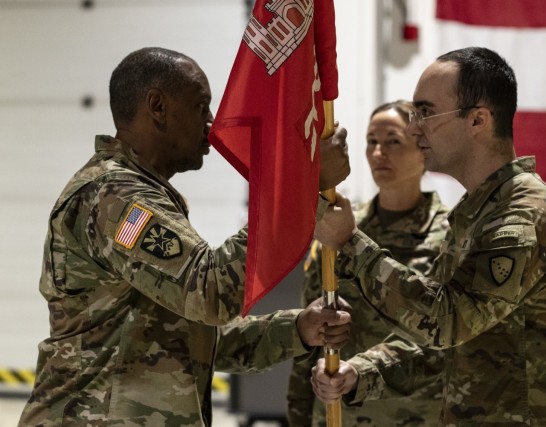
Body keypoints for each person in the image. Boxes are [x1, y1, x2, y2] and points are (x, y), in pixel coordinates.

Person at [19, 47, 351, 427]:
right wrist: (304, 185)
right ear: (157, 106)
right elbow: (208, 292)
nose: (211, 121)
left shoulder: (142, 195)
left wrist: (296, 330)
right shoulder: (114, 196)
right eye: (200, 106)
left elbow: (189, 336)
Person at [311, 47, 546, 425]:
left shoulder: (523, 216)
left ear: (478, 120)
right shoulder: (478, 213)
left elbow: (448, 321)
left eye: (426, 113)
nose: (414, 128)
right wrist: (362, 373)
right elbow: (443, 346)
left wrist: (351, 242)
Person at [287, 100, 450, 427]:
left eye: (393, 141)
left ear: (423, 149)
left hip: (414, 415)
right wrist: (299, 416)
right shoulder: (341, 226)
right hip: (338, 416)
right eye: (372, 141)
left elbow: (442, 337)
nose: (379, 152)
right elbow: (308, 334)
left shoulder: (449, 234)